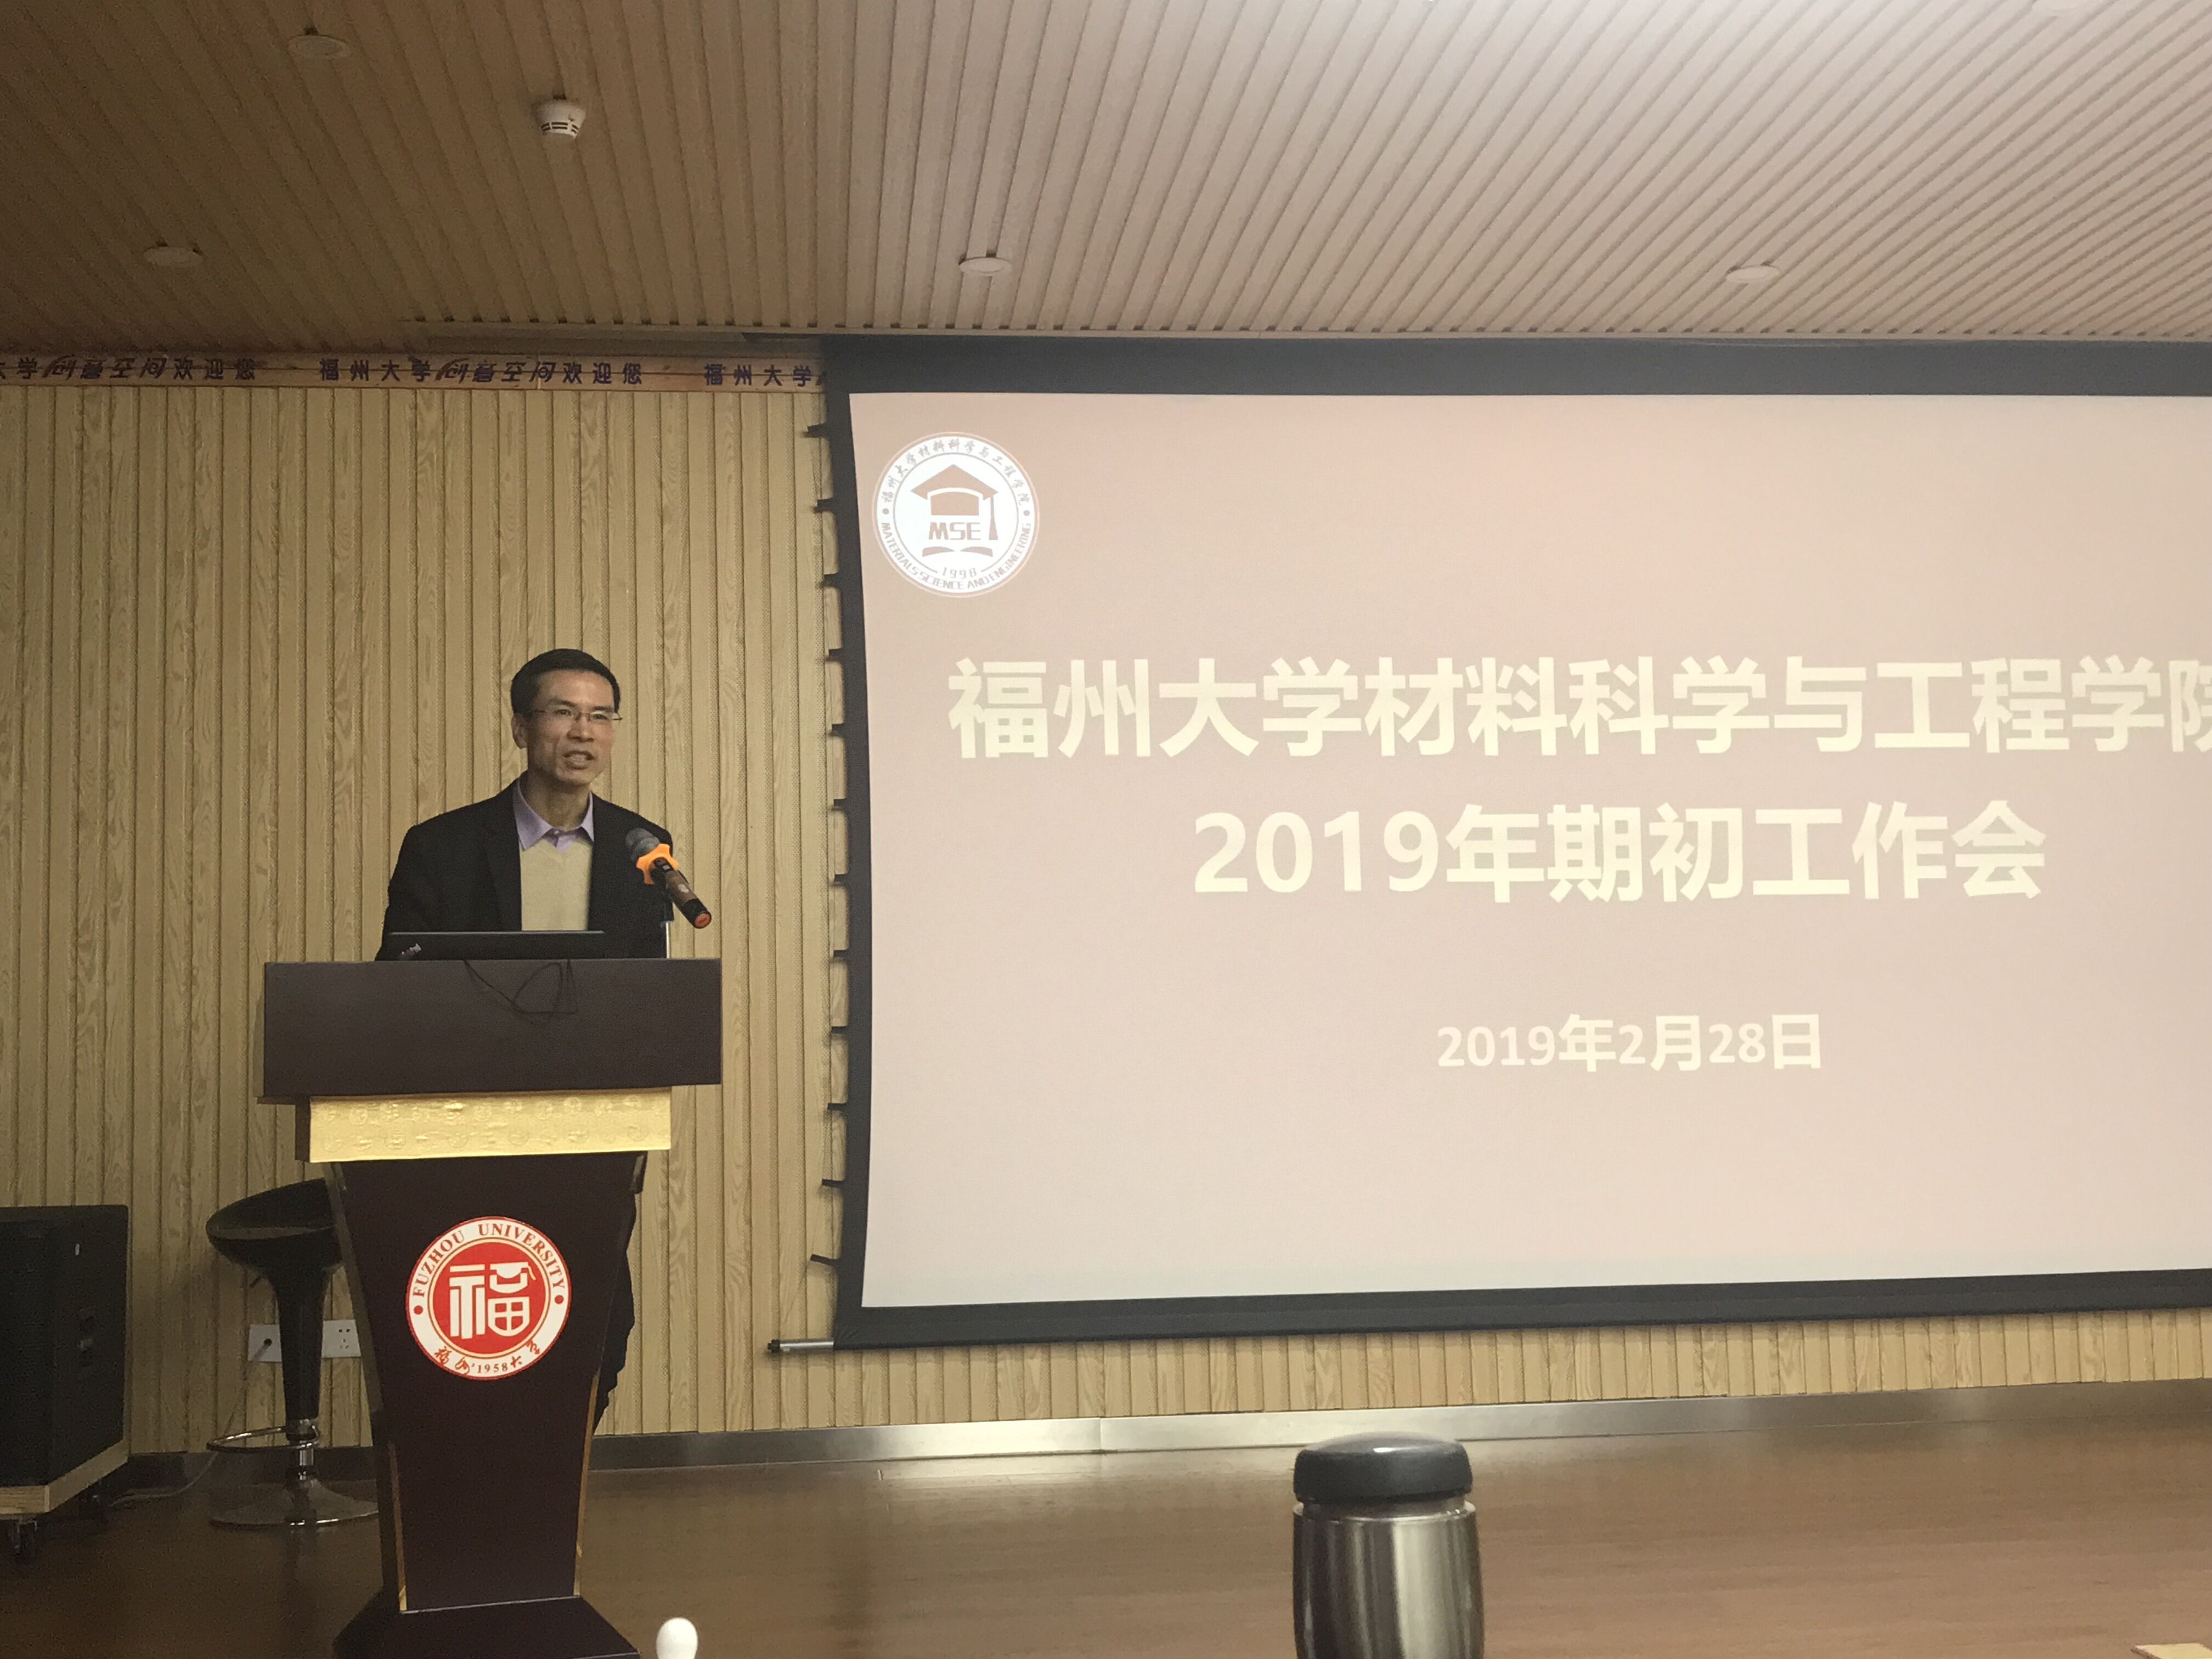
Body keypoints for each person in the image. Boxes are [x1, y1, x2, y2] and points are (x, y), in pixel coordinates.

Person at [377, 648, 673, 1420]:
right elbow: (397, 985)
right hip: (467, 1123)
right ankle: (475, 1470)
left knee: (599, 1322)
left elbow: (647, 994)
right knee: (475, 1318)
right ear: (521, 727)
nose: (584, 732)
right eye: (563, 712)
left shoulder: (643, 850)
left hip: (593, 1123)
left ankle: (556, 1472)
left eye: (601, 716)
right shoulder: (443, 846)